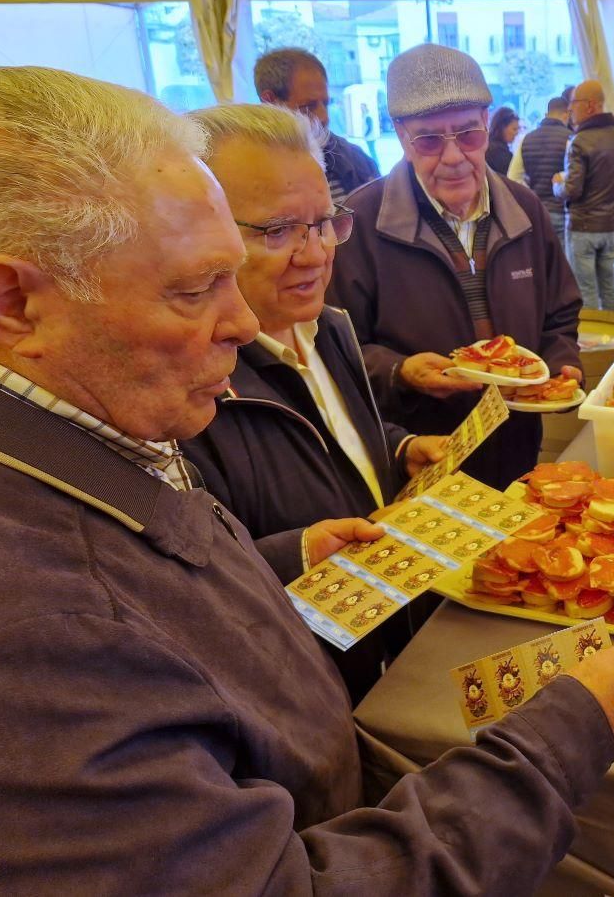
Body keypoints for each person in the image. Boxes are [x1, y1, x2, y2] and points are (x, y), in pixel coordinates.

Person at [0, 66, 614, 894]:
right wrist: (573, 728)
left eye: (322, 225)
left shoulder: (94, 423)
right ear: (10, 305)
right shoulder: (34, 631)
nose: (245, 322)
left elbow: (174, 589)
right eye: (194, 287)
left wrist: (287, 550)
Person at [181, 103, 447, 705]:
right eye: (277, 231)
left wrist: (397, 448)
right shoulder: (191, 384)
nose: (316, 253)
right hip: (305, 688)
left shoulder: (327, 326)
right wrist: (296, 554)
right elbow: (193, 582)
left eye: (324, 222)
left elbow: (332, 439)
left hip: (384, 645)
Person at [328, 44, 583, 490]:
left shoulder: (524, 208)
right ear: (401, 135)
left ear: (487, 124)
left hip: (518, 436)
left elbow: (560, 312)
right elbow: (335, 348)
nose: (452, 158)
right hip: (419, 448)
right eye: (428, 140)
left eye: (468, 134)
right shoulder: (359, 221)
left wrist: (561, 365)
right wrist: (399, 371)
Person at [255, 47, 380, 199]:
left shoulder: (356, 160)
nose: (324, 117)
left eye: (326, 104)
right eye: (307, 107)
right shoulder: (244, 173)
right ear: (269, 101)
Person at [554, 80, 614, 313]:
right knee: (609, 288)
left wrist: (557, 185)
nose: (570, 110)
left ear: (590, 106)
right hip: (610, 227)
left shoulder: (579, 141)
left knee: (585, 291)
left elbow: (572, 190)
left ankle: (593, 348)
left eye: (573, 104)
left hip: (583, 229)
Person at [509, 95, 574, 245]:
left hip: (535, 212)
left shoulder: (527, 139)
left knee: (538, 262)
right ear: (566, 115)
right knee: (561, 264)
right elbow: (575, 175)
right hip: (561, 211)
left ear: (546, 114)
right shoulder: (571, 139)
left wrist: (531, 194)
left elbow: (513, 177)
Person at [485, 105, 519, 175]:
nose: (516, 133)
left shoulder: (489, 145)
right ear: (502, 128)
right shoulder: (497, 152)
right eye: (514, 129)